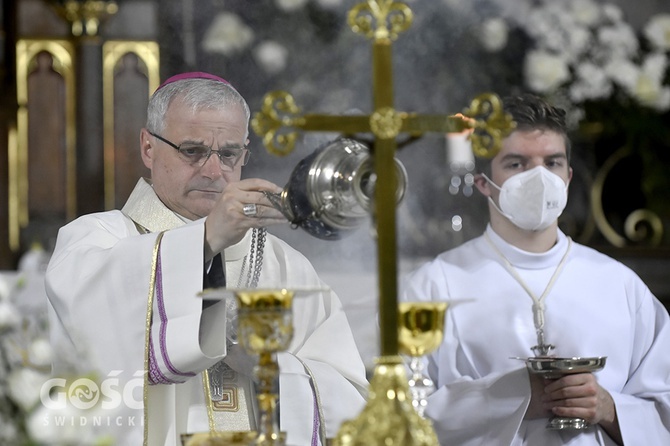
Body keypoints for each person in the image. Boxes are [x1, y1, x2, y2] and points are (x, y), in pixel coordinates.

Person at [45, 72, 368, 446]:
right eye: (192, 151)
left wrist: (272, 369)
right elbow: (93, 337)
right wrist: (207, 238)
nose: (214, 172)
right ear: (148, 148)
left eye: (229, 153)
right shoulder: (94, 239)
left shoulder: (286, 266)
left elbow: (349, 404)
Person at [400, 94, 670, 445]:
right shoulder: (433, 286)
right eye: (517, 164)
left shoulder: (619, 284)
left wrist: (608, 407)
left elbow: (663, 408)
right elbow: (401, 411)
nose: (539, 178)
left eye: (552, 163)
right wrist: (512, 398)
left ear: (568, 177)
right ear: (483, 182)